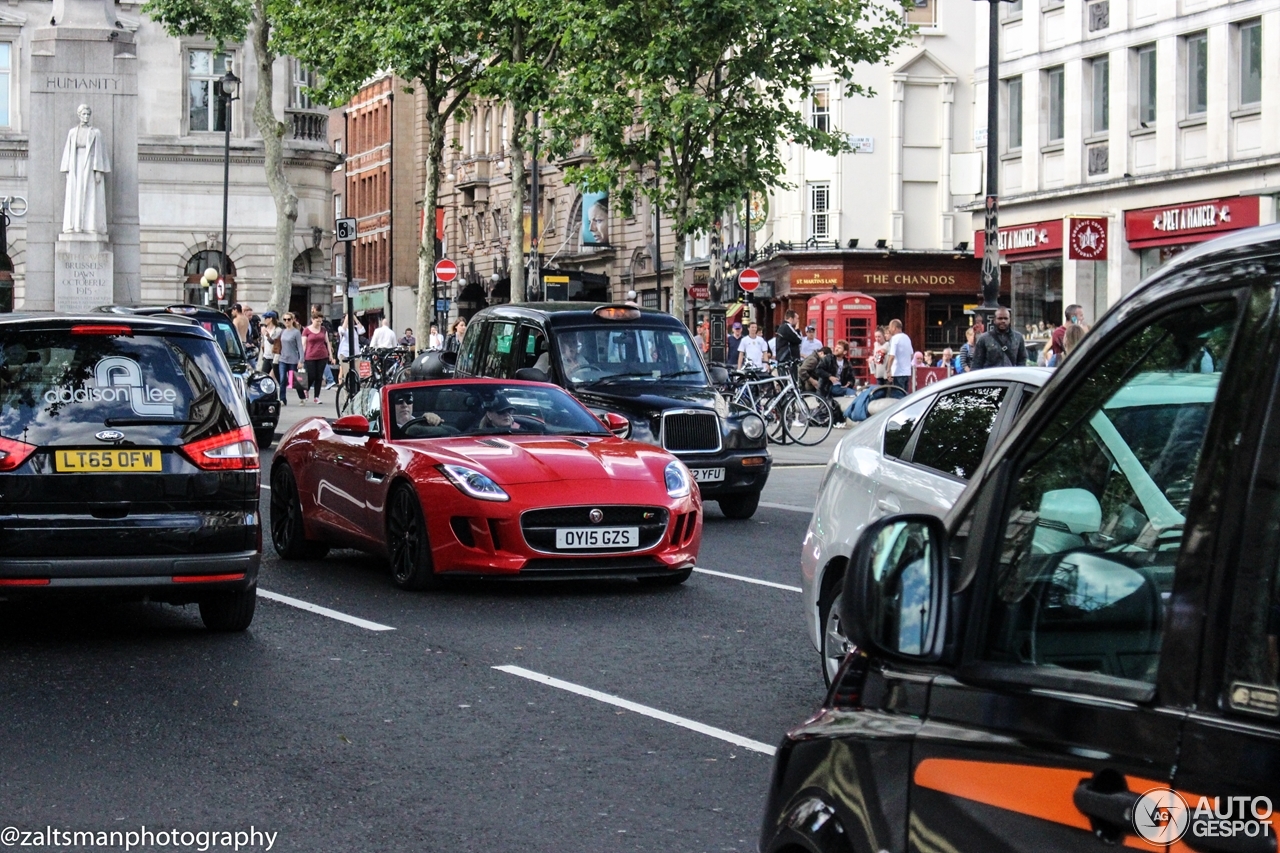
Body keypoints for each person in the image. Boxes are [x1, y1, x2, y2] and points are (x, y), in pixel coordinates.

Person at [301, 310, 335, 404]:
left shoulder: (323, 329)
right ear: (312, 320)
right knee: (312, 375)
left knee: (319, 376)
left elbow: (327, 342)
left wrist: (330, 356)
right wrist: (301, 357)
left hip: (322, 355)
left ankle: (316, 396)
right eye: (317, 321)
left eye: (320, 321)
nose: (319, 323)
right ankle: (306, 389)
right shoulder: (306, 330)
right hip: (310, 355)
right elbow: (303, 344)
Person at [277, 313, 305, 405]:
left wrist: (301, 360)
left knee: (295, 380)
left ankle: (302, 397)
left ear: (292, 320)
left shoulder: (296, 332)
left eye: (288, 319)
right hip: (283, 359)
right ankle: (282, 399)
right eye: (284, 319)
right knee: (282, 380)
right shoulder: (282, 331)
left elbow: (300, 347)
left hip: (293, 359)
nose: (286, 321)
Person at [882, 318, 913, 391]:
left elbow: (892, 356)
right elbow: (911, 355)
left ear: (894, 328)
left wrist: (888, 371)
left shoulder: (894, 338)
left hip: (897, 373)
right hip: (907, 373)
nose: (889, 330)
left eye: (890, 327)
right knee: (905, 395)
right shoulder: (907, 337)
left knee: (898, 397)